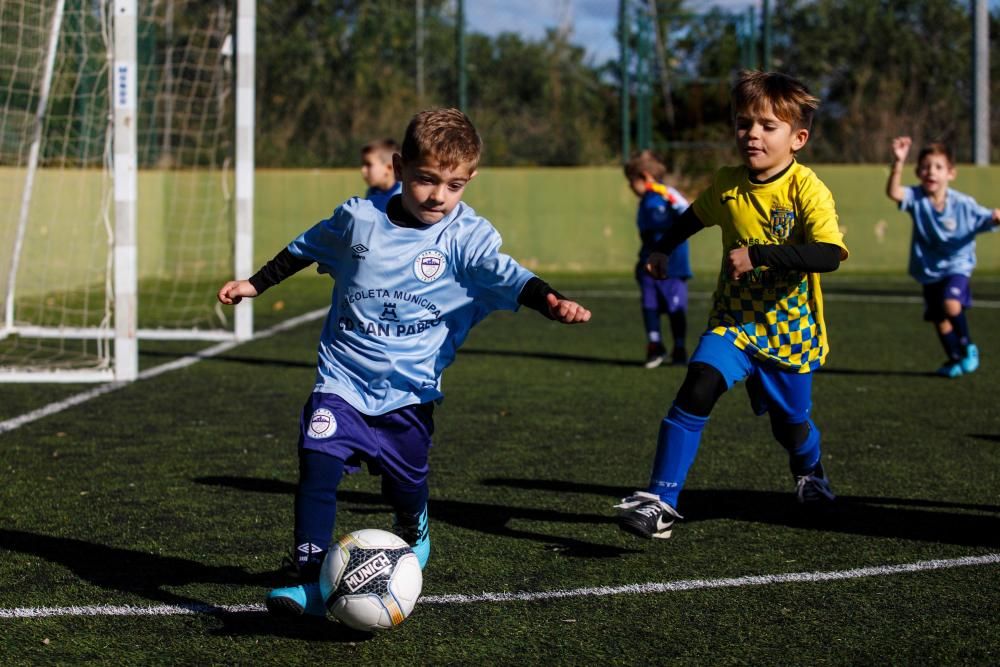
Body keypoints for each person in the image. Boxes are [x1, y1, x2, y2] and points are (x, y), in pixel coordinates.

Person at [217, 108, 591, 616]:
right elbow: (306, 247)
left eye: (455, 185)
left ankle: (413, 519)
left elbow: (510, 276)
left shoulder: (465, 237)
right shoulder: (359, 220)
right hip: (343, 378)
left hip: (410, 392)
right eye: (426, 180)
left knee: (405, 482)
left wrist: (551, 301)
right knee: (316, 462)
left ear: (470, 180)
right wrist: (254, 283)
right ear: (398, 167)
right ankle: (308, 580)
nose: (439, 195)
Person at [615, 70, 848, 539]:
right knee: (698, 384)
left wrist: (761, 254)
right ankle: (661, 500)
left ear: (797, 138)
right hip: (734, 323)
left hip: (789, 333)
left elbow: (829, 254)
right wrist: (661, 248)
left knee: (791, 426)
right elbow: (691, 218)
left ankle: (810, 472)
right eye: (744, 124)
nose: (752, 135)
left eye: (767, 126)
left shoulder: (808, 189)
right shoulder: (727, 183)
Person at [885, 136, 1000, 378]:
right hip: (928, 269)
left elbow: (987, 217)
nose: (931, 172)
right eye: (926, 167)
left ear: (951, 173)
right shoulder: (917, 198)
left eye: (938, 167)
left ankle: (968, 347)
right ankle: (955, 359)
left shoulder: (963, 204)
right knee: (939, 318)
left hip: (957, 266)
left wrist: (995, 217)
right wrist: (898, 162)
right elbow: (894, 192)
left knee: (951, 303)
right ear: (917, 172)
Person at [624, 150, 692, 368]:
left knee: (675, 308)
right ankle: (655, 346)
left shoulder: (666, 195)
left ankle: (679, 347)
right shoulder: (645, 201)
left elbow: (688, 214)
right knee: (649, 304)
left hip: (673, 266)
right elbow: (648, 236)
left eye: (631, 181)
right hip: (649, 265)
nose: (630, 187)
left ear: (644, 177)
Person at [360, 137, 402, 212]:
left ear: (389, 168)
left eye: (368, 164)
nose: (363, 170)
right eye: (363, 164)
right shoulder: (371, 192)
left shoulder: (403, 197)